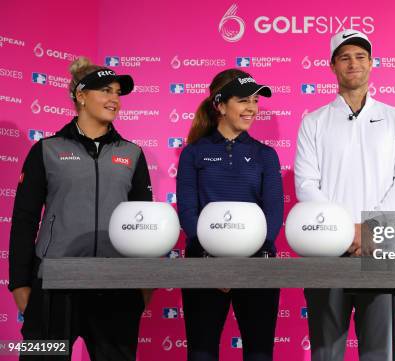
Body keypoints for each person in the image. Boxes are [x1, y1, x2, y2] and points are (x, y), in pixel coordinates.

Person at [9, 57, 153, 360]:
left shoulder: (132, 153)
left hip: (117, 283)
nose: (114, 99)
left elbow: (146, 226)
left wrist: (145, 283)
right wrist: (20, 282)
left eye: (117, 92)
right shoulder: (47, 150)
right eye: (105, 91)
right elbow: (24, 219)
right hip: (55, 280)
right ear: (81, 95)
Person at [294, 29, 395, 361]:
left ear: (372, 63)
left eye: (361, 56)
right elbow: (305, 184)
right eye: (345, 57)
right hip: (326, 246)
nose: (353, 64)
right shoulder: (313, 122)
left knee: (379, 351)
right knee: (325, 350)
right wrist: (343, 231)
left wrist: (370, 227)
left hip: (379, 245)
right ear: (332, 65)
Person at [176, 69, 284, 361]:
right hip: (204, 267)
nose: (252, 108)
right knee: (201, 354)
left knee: (259, 354)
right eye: (243, 100)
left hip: (258, 268)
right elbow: (188, 211)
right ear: (220, 105)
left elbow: (273, 212)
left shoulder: (266, 155)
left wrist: (247, 261)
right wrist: (213, 262)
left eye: (255, 101)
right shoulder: (193, 153)